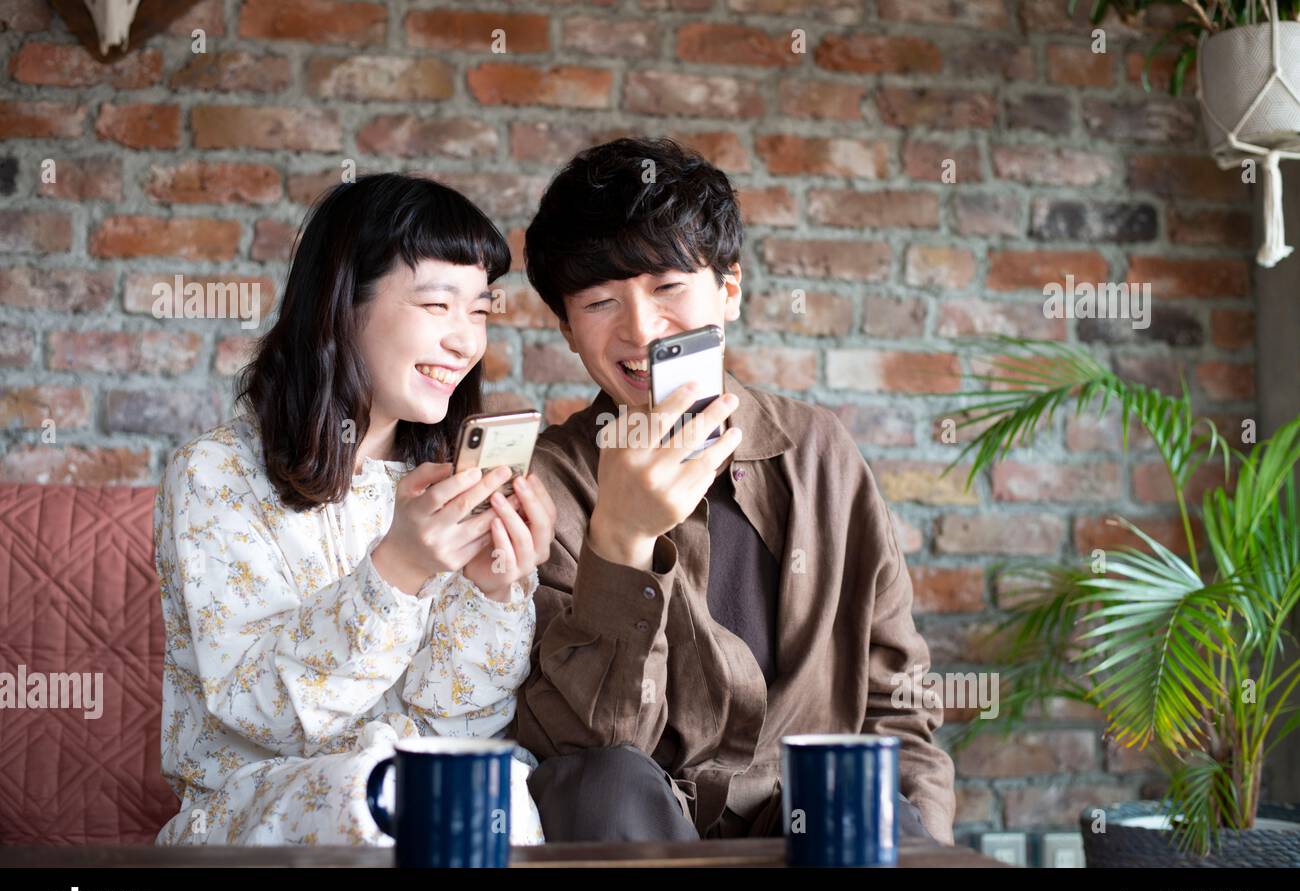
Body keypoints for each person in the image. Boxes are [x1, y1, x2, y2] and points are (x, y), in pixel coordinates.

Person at [510, 137, 957, 844]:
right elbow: (588, 744)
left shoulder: (819, 453)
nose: (642, 329)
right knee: (603, 783)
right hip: (641, 833)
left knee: (866, 800)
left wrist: (920, 838)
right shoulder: (546, 485)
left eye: (667, 287)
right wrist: (620, 544)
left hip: (814, 829)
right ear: (566, 329)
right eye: (600, 301)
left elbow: (895, 702)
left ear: (730, 289)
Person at [153, 173, 557, 847]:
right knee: (376, 795)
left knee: (497, 793)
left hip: (407, 809)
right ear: (345, 306)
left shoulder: (444, 488)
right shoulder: (216, 475)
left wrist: (493, 595)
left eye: (480, 310)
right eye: (438, 304)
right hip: (250, 810)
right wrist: (396, 570)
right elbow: (260, 713)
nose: (466, 341)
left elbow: (460, 730)